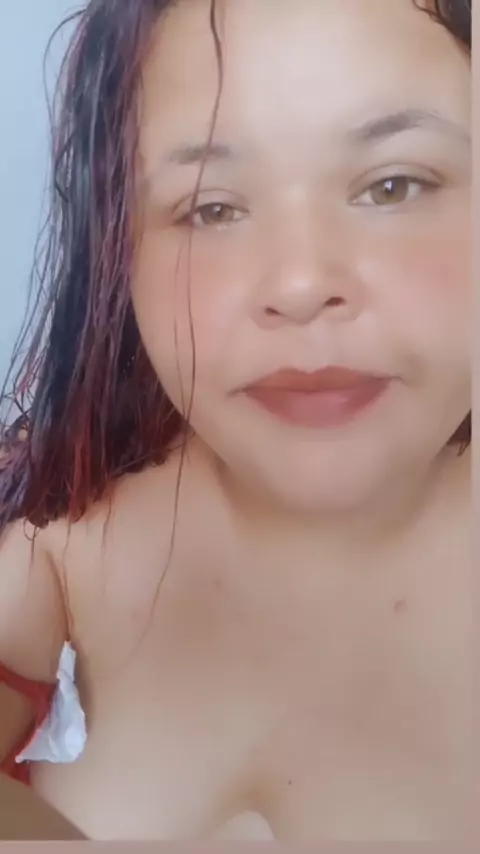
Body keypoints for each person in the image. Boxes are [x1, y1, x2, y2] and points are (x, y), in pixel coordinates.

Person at [0, 0, 472, 841]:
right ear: (120, 250)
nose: (299, 283)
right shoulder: (54, 544)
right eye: (211, 208)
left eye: (393, 185)